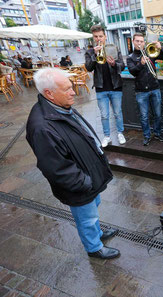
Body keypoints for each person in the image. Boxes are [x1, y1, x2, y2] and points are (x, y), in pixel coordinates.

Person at [26, 68, 119, 259]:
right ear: (49, 94)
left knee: (93, 209)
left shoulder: (58, 107)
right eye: (66, 89)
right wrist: (84, 183)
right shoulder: (42, 126)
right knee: (86, 217)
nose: (73, 92)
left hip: (88, 175)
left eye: (71, 87)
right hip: (79, 185)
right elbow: (56, 168)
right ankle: (94, 248)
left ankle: (98, 232)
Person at [85, 25, 126, 147]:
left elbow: (122, 66)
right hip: (101, 88)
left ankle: (120, 133)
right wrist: (95, 55)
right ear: (93, 37)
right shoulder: (90, 52)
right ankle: (107, 136)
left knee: (118, 113)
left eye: (100, 36)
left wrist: (114, 64)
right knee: (104, 115)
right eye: (96, 37)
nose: (98, 39)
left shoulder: (114, 48)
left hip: (116, 86)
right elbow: (88, 67)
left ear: (105, 36)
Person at [127, 33, 163, 146]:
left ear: (144, 42)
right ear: (133, 42)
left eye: (141, 41)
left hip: (154, 88)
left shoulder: (150, 51)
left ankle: (158, 133)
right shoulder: (130, 58)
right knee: (144, 116)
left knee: (158, 114)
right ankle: (147, 136)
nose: (139, 43)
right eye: (137, 41)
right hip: (141, 91)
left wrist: (161, 49)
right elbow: (133, 72)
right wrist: (140, 64)